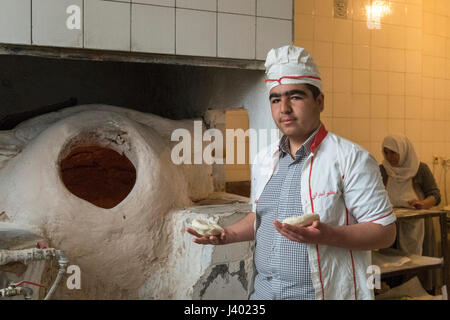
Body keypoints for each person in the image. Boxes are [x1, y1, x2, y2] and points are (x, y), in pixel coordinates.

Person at [186, 45, 397, 300]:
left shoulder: (351, 159)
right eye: (275, 99)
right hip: (263, 294)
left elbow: (385, 231)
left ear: (319, 101)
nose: (284, 108)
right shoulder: (265, 159)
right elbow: (261, 218)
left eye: (295, 97)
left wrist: (329, 234)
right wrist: (227, 234)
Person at [379, 134, 441, 255]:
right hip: (390, 225)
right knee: (391, 262)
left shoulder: (420, 169)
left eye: (393, 153)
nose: (389, 157)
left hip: (417, 225)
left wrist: (423, 204)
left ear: (403, 151)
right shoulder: (382, 169)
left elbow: (436, 195)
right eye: (385, 153)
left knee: (417, 262)